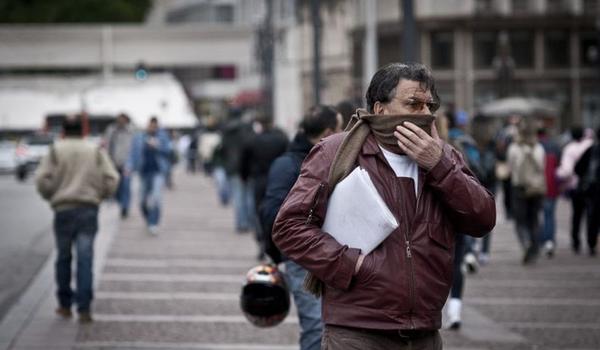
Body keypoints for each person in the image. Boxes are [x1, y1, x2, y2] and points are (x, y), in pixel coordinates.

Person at [273, 63, 496, 349]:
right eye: (413, 104)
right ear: (380, 109)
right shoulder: (336, 151)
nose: (426, 114)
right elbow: (289, 226)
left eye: (430, 105)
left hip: (425, 332)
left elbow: (483, 219)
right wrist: (353, 264)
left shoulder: (444, 155)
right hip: (357, 331)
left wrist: (439, 166)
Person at [259, 105, 342, 350]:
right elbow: (271, 214)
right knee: (316, 326)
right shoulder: (288, 165)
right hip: (303, 258)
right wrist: (276, 253)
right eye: (340, 129)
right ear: (328, 132)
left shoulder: (333, 158)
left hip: (336, 254)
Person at [35, 115, 119, 323]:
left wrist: (51, 195)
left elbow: (41, 178)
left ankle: (64, 305)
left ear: (63, 131)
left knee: (63, 257)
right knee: (86, 258)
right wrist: (101, 195)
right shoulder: (94, 150)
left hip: (63, 209)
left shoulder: (56, 150)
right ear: (83, 131)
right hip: (88, 209)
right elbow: (112, 178)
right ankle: (84, 307)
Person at [240, 115, 289, 260]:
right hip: (278, 179)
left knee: (259, 213)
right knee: (277, 211)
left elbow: (244, 162)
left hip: (259, 180)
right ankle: (275, 242)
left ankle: (262, 241)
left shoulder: (252, 140)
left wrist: (245, 176)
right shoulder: (281, 140)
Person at [507, 121, 546, 264]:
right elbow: (542, 167)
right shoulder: (539, 148)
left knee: (520, 221)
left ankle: (526, 244)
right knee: (534, 219)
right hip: (536, 188)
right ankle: (534, 247)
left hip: (519, 188)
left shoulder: (514, 148)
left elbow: (510, 168)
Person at [127, 117, 172, 235]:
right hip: (143, 172)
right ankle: (148, 219)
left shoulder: (162, 137)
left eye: (155, 126)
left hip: (158, 172)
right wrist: (129, 166)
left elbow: (169, 151)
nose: (152, 128)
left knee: (156, 198)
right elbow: (132, 153)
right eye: (151, 125)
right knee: (142, 201)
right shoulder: (139, 137)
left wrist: (157, 146)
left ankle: (154, 223)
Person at [556, 126, 594, 254]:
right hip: (591, 186)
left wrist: (558, 175)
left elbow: (566, 171)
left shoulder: (569, 149)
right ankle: (591, 242)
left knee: (577, 215)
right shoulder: (590, 145)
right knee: (591, 215)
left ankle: (576, 241)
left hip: (575, 187)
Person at [574, 126, 600, 256]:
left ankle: (591, 243)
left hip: (594, 189)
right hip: (593, 189)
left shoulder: (592, 150)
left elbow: (578, 168)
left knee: (593, 216)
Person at [103, 113, 135, 218]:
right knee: (116, 185)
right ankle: (119, 201)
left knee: (126, 186)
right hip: (113, 162)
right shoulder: (111, 130)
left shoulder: (131, 131)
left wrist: (132, 163)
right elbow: (106, 144)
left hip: (126, 163)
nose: (120, 121)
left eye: (122, 120)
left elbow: (133, 148)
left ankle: (125, 207)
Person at [537, 128, 561, 257]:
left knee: (538, 215)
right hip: (552, 186)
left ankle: (541, 240)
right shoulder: (554, 146)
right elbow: (560, 168)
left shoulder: (535, 147)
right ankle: (550, 241)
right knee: (550, 215)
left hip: (538, 186)